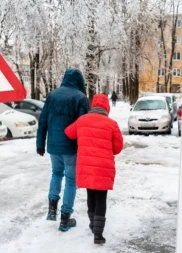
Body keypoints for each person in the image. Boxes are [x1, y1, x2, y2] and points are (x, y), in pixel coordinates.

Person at [64, 94, 123, 244]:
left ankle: (92, 224)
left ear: (93, 105)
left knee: (91, 195)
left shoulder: (82, 120)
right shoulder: (112, 124)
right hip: (104, 168)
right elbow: (117, 148)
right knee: (101, 198)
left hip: (86, 166)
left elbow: (68, 133)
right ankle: (98, 234)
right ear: (107, 107)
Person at [36, 68, 90, 232]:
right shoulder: (81, 98)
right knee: (71, 180)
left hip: (53, 145)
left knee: (56, 173)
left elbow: (43, 121)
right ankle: (65, 218)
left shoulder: (52, 95)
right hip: (71, 146)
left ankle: (52, 210)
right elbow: (83, 126)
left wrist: (40, 143)